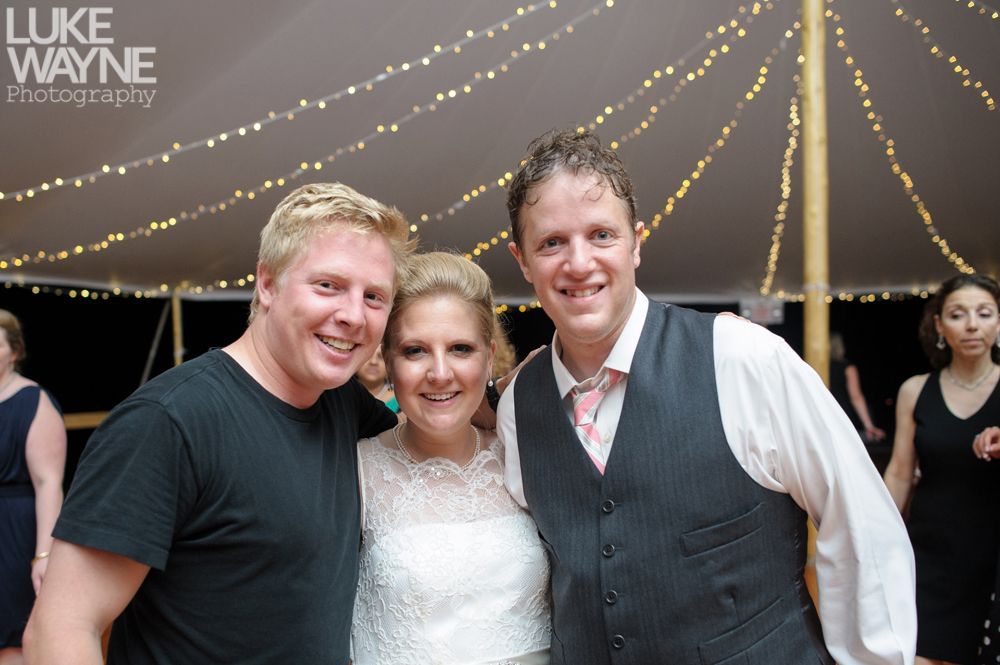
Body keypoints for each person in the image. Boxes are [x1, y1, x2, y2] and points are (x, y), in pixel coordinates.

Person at [496, 128, 916, 665]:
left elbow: (860, 525)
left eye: (601, 235)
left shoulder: (740, 358)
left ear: (637, 243)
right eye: (552, 242)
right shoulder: (516, 408)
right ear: (523, 260)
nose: (579, 263)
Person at [23, 183, 413, 664]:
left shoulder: (341, 402)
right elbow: (59, 630)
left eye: (374, 296)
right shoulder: (167, 423)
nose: (353, 315)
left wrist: (505, 392)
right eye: (328, 285)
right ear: (266, 284)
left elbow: (431, 436)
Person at [351, 252, 550, 665]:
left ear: (488, 355)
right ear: (388, 360)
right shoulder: (355, 472)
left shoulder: (527, 454)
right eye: (415, 351)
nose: (440, 373)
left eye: (461, 348)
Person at [883, 274, 1000, 665]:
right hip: (931, 553)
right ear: (938, 325)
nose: (971, 324)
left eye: (984, 313)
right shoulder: (915, 390)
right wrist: (876, 535)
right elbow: (900, 471)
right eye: (957, 314)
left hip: (993, 553)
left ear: (998, 323)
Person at [0, 310, 66, 665]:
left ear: (14, 351)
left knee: (12, 635)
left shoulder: (32, 400)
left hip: (13, 532)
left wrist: (44, 555)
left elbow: (48, 482)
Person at [829, 332, 887, 443]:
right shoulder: (847, 368)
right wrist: (869, 426)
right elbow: (856, 397)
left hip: (822, 416)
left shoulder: (811, 366)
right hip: (842, 418)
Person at [356, 346, 400, 413]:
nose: (373, 362)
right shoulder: (340, 396)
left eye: (380, 357)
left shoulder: (401, 401)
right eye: (368, 356)